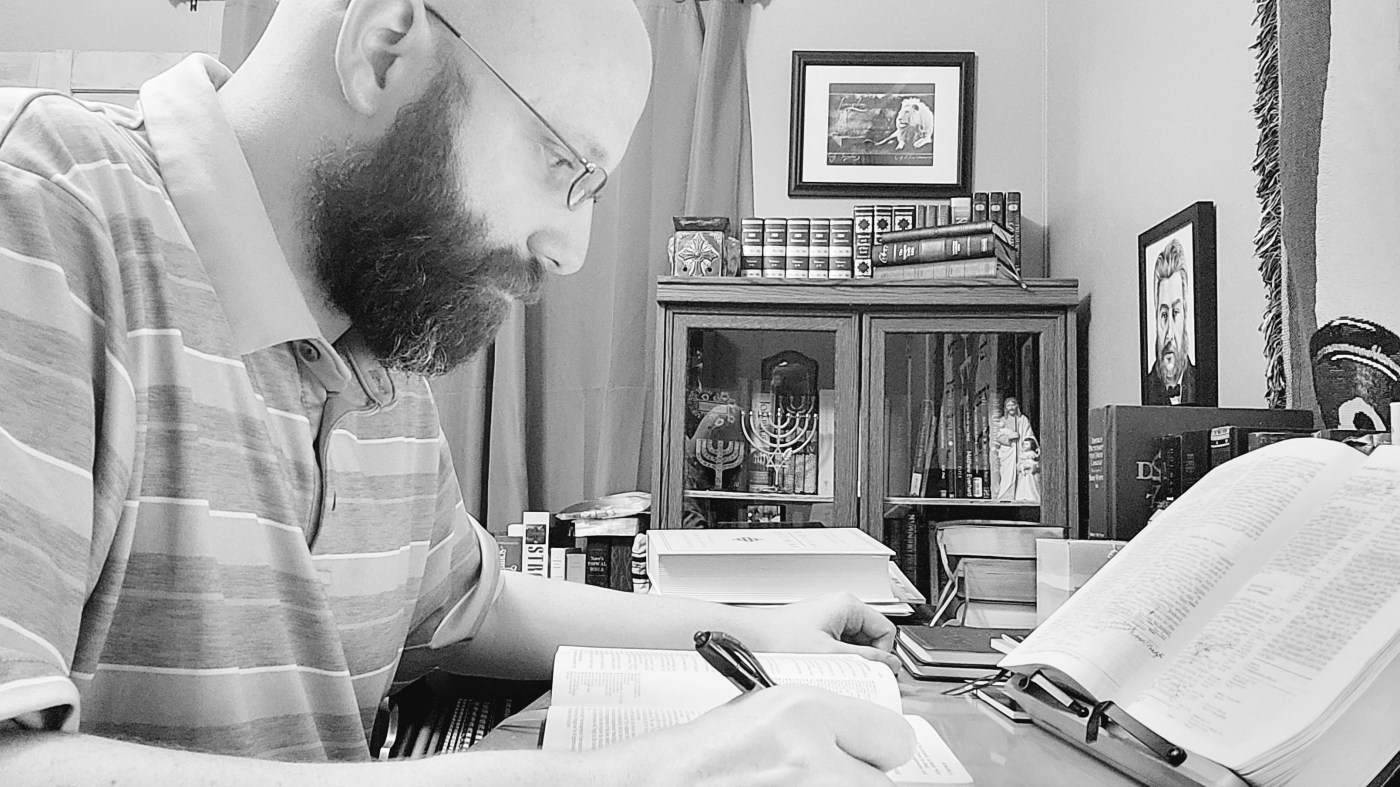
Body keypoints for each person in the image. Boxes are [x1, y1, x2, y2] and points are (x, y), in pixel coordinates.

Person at [0, 1, 913, 784]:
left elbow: (471, 608)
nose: (572, 249)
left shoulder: (377, 332)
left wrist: (760, 632)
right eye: (561, 162)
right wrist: (656, 769)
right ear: (384, 48)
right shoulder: (42, 208)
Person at [1144, 238, 1198, 405]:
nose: (1169, 334)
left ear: (1185, 314)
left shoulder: (1200, 381)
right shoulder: (1147, 388)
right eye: (1164, 315)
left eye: (1175, 313)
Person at [993, 396, 1034, 500]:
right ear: (1005, 408)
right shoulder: (1003, 420)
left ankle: (1021, 494)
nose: (1011, 408)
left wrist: (1026, 444)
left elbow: (1029, 435)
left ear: (1017, 406)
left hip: (1021, 451)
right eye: (1008, 405)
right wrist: (1009, 438)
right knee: (1007, 474)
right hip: (1007, 452)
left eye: (1013, 405)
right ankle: (1006, 494)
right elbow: (998, 437)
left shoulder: (1023, 420)